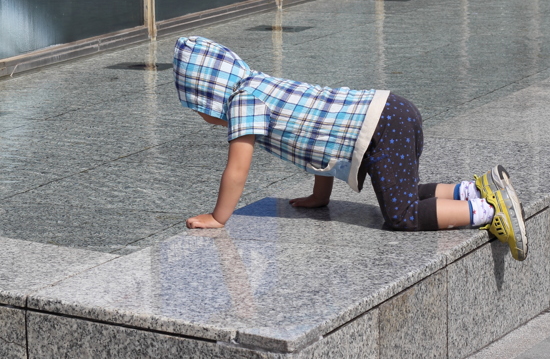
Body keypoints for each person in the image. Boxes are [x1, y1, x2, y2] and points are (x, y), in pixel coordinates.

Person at [172, 36, 528, 261]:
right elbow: (314, 134)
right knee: (399, 192)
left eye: (197, 106)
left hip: (383, 128)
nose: (202, 115)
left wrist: (219, 218)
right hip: (392, 112)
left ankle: (487, 211)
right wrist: (318, 196)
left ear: (209, 94)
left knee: (401, 215)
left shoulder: (242, 103)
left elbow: (237, 169)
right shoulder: (262, 84)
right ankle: (472, 188)